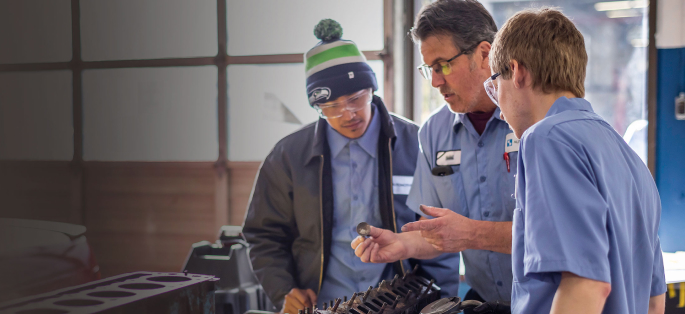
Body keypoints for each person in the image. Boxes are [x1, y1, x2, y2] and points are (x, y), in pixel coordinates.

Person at [242, 19, 459, 314]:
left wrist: (439, 303)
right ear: (317, 108)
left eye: (356, 99)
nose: (348, 114)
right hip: (321, 304)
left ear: (372, 89)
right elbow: (263, 235)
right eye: (331, 107)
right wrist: (284, 291)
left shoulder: (417, 144)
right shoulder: (288, 157)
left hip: (400, 304)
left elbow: (441, 230)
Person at [485, 8, 666, 313]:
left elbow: (587, 284)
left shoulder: (545, 139)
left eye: (495, 87)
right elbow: (654, 301)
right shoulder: (629, 159)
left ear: (517, 72)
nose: (500, 111)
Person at [353, 1, 516, 311]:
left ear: (484, 54)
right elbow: (440, 234)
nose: (437, 81)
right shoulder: (433, 133)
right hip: (483, 303)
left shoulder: (534, 120)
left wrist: (472, 234)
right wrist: (400, 244)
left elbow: (559, 234)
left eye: (443, 65)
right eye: (429, 69)